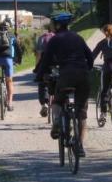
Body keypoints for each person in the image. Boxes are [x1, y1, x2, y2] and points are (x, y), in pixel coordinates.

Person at [35, 12, 92, 157]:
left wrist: (39, 76)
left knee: (58, 101)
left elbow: (45, 60)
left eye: (53, 24)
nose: (51, 26)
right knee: (82, 113)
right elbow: (89, 56)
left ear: (58, 25)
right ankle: (79, 146)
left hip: (66, 75)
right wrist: (88, 69)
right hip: (82, 76)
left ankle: (57, 122)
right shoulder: (78, 37)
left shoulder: (54, 40)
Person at [33, 23, 56, 117]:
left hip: (45, 64)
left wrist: (37, 67)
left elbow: (38, 54)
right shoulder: (58, 37)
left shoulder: (41, 38)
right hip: (57, 64)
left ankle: (44, 104)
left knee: (42, 84)